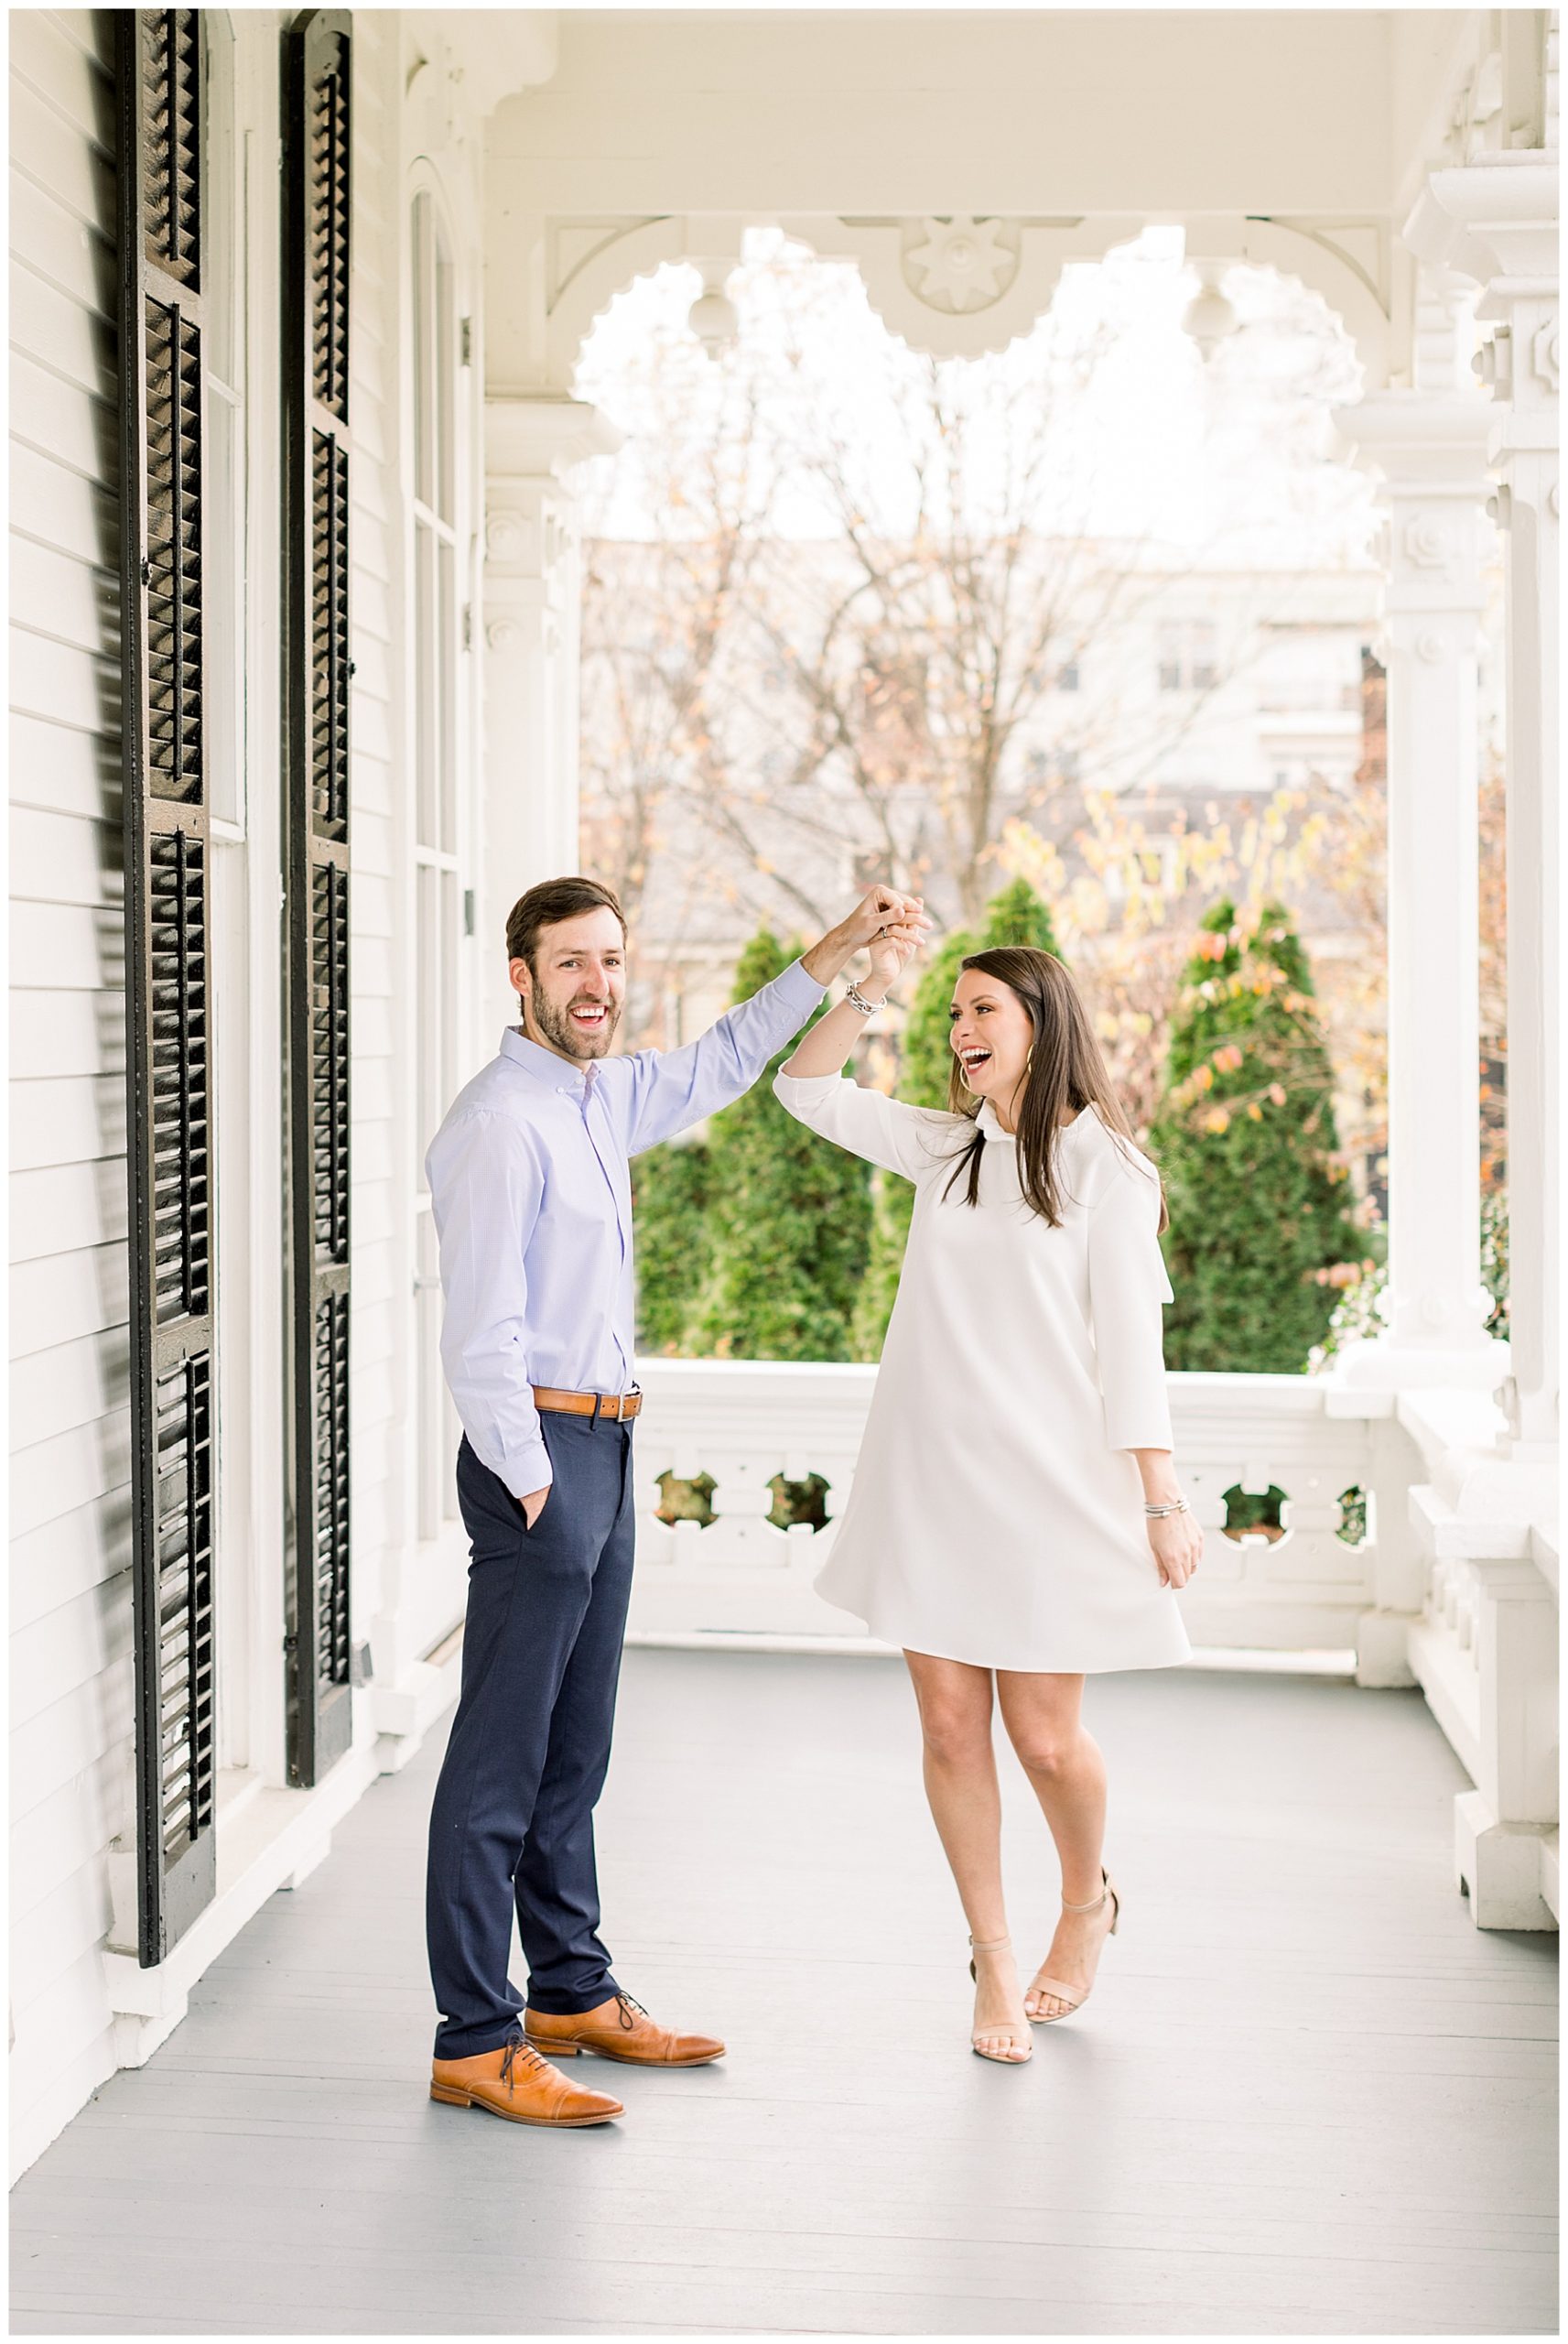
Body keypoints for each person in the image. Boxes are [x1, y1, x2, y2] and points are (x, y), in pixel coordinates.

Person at [423, 872, 931, 2128]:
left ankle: (570, 1992)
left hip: (602, 1448)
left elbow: (725, 1056)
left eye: (610, 960)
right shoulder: (501, 1122)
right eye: (570, 965)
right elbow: (480, 1330)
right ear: (522, 978)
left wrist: (836, 952)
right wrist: (533, 1481)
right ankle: (474, 2038)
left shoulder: (597, 1098)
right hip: (536, 1453)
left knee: (572, 1751)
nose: (596, 985)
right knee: (498, 1761)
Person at [773, 928, 1202, 2065]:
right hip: (932, 1480)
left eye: (984, 1013)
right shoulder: (945, 1151)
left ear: (1039, 1025)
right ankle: (993, 1960)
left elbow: (1132, 1351)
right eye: (956, 1013)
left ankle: (1083, 1903)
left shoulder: (1109, 1167)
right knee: (952, 1728)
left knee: (1047, 1739)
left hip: (1051, 1487)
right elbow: (803, 1086)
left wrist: (1162, 1498)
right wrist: (864, 985)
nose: (962, 1032)